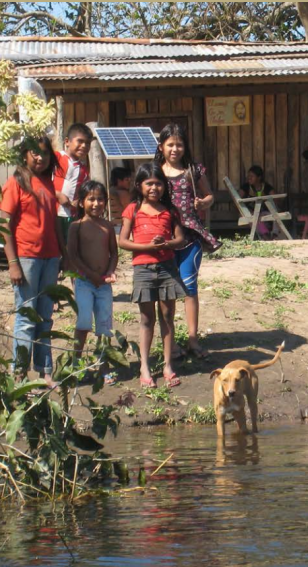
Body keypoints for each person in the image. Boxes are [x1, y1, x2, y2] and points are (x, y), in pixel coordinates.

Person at [0, 135, 66, 386]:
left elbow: (55, 222)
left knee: (45, 315)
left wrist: (64, 255)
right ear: (25, 154)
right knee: (26, 316)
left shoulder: (47, 182)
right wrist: (12, 262)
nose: (40, 158)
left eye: (45, 154)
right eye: (35, 153)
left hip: (50, 257)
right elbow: (4, 225)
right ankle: (19, 375)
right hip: (26, 258)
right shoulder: (16, 182)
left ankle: (45, 371)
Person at [117, 163, 187, 389]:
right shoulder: (133, 210)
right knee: (147, 319)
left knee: (168, 317)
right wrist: (147, 247)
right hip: (143, 270)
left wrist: (166, 244)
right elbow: (123, 241)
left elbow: (180, 239)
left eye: (158, 183)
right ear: (139, 185)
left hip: (167, 268)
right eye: (149, 183)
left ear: (164, 186)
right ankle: (144, 366)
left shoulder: (170, 211)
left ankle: (167, 365)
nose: (154, 188)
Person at [153, 122, 219, 360]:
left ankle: (192, 339)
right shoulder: (155, 171)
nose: (175, 149)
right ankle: (169, 343)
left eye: (179, 144)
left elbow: (211, 194)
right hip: (163, 239)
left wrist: (205, 202)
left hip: (190, 237)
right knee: (166, 291)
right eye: (170, 144)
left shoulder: (194, 170)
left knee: (190, 288)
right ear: (161, 146)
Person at [67, 180, 118, 368]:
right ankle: (75, 364)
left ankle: (103, 365)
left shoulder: (108, 226)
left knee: (104, 327)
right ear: (81, 202)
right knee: (83, 324)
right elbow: (72, 255)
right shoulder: (76, 226)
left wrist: (110, 271)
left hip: (104, 284)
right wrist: (90, 275)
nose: (96, 204)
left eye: (100, 199)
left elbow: (114, 253)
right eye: (91, 199)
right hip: (84, 283)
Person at [53, 123, 92, 256]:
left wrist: (79, 201)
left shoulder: (84, 170)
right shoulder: (55, 159)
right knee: (54, 248)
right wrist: (57, 194)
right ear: (67, 142)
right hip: (53, 213)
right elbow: (41, 184)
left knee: (71, 250)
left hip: (71, 216)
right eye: (80, 141)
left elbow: (84, 191)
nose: (84, 146)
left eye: (87, 143)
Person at [239, 165, 275, 239]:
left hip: (264, 212)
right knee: (253, 216)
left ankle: (275, 235)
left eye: (252, 176)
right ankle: (265, 235)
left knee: (274, 213)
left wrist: (265, 197)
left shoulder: (266, 187)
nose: (249, 178)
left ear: (259, 178)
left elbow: (276, 200)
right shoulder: (245, 187)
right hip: (249, 213)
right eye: (248, 176)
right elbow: (238, 201)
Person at [108, 166, 133, 231]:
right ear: (119, 181)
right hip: (121, 226)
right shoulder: (123, 193)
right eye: (127, 180)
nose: (129, 182)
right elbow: (130, 210)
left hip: (112, 225)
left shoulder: (110, 190)